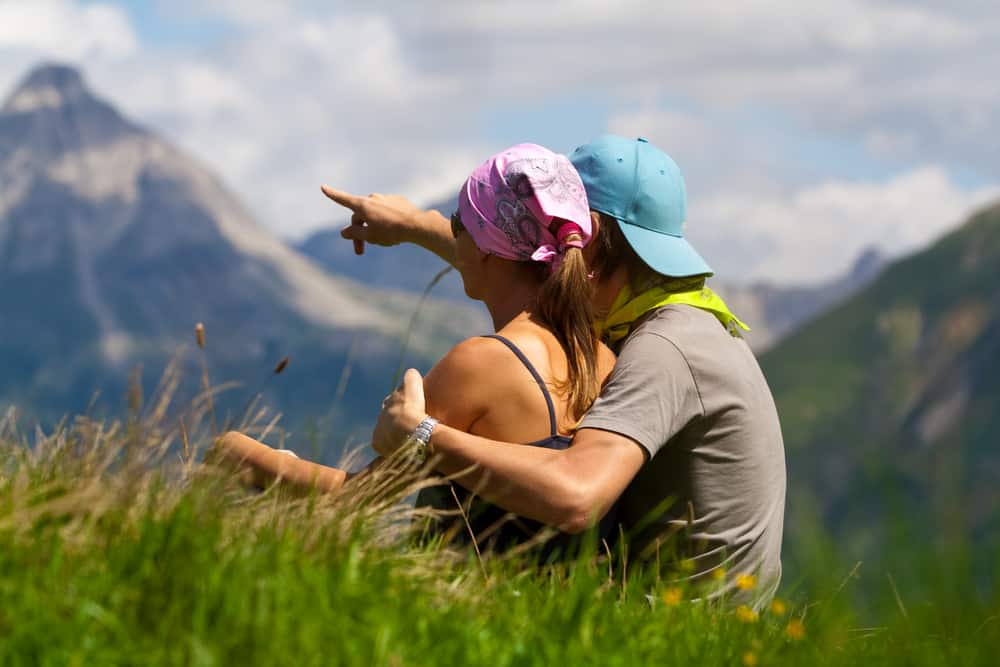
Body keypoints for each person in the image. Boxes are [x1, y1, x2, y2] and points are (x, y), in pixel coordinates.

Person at [323, 135, 786, 606]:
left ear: (588, 234)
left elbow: (577, 498)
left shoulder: (664, 350)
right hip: (706, 621)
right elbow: (514, 263)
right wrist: (411, 224)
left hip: (671, 634)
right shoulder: (676, 318)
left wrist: (421, 434)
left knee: (463, 486)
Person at [217, 143, 617, 556]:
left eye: (459, 221)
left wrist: (236, 450)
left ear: (485, 249)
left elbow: (355, 501)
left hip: (470, 602)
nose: (454, 232)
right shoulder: (603, 357)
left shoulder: (481, 364)